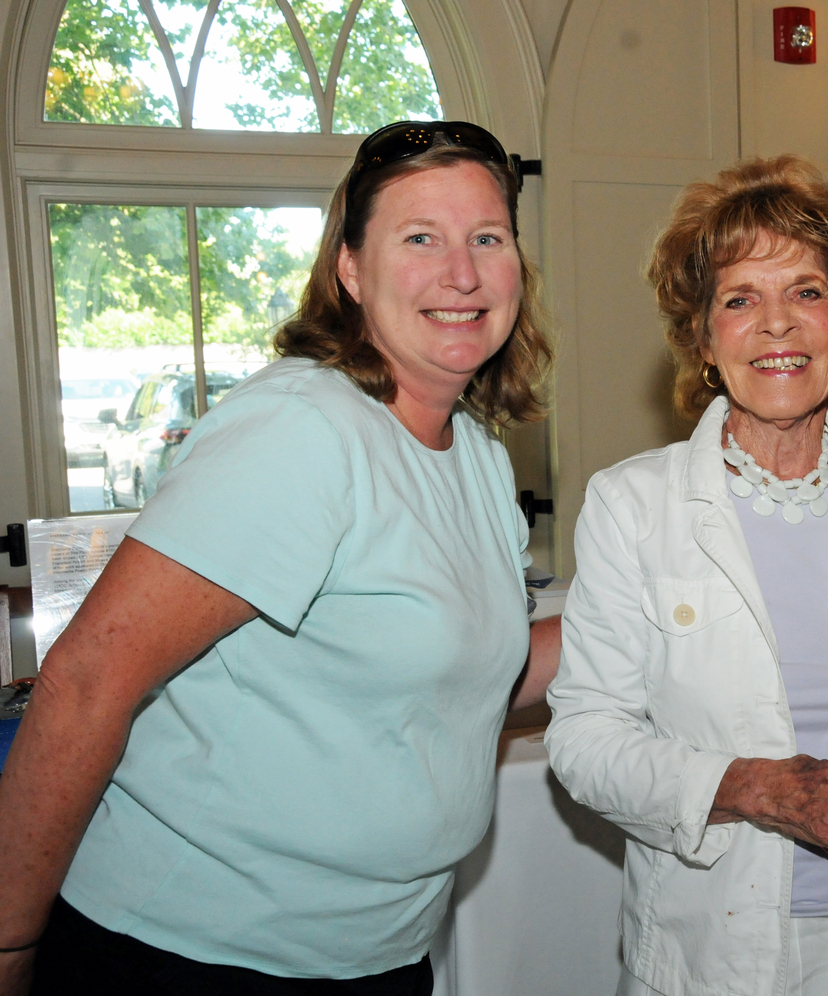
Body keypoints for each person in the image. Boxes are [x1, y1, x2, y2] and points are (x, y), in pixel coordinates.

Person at [0, 120, 559, 995]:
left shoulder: (476, 457)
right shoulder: (305, 431)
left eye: (487, 238)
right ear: (349, 268)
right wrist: (7, 943)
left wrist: (662, 609)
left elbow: (487, 673)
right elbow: (86, 680)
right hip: (189, 953)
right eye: (420, 239)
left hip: (376, 953)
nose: (462, 273)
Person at [546, 156, 828, 996]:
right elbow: (584, 738)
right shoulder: (631, 506)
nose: (777, 325)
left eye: (808, 292)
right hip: (717, 957)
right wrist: (762, 789)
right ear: (703, 339)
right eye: (740, 299)